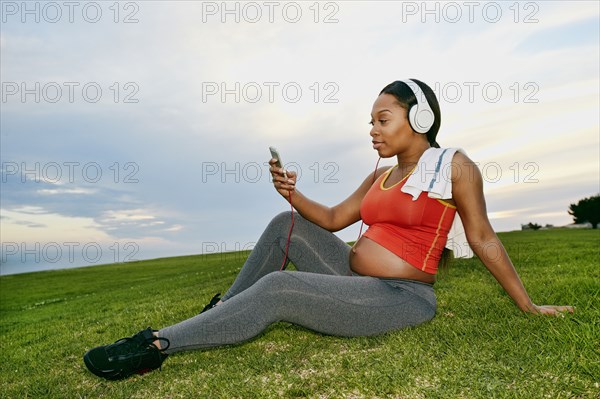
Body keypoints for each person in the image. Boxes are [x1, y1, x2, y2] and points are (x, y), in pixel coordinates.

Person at [83, 79, 573, 381]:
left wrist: (527, 303)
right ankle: (226, 310)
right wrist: (291, 194)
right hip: (353, 278)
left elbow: (484, 238)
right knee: (284, 225)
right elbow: (336, 219)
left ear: (419, 118)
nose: (373, 130)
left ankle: (155, 346)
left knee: (278, 287)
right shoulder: (380, 175)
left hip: (401, 297)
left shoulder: (454, 167)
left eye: (383, 119)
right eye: (371, 122)